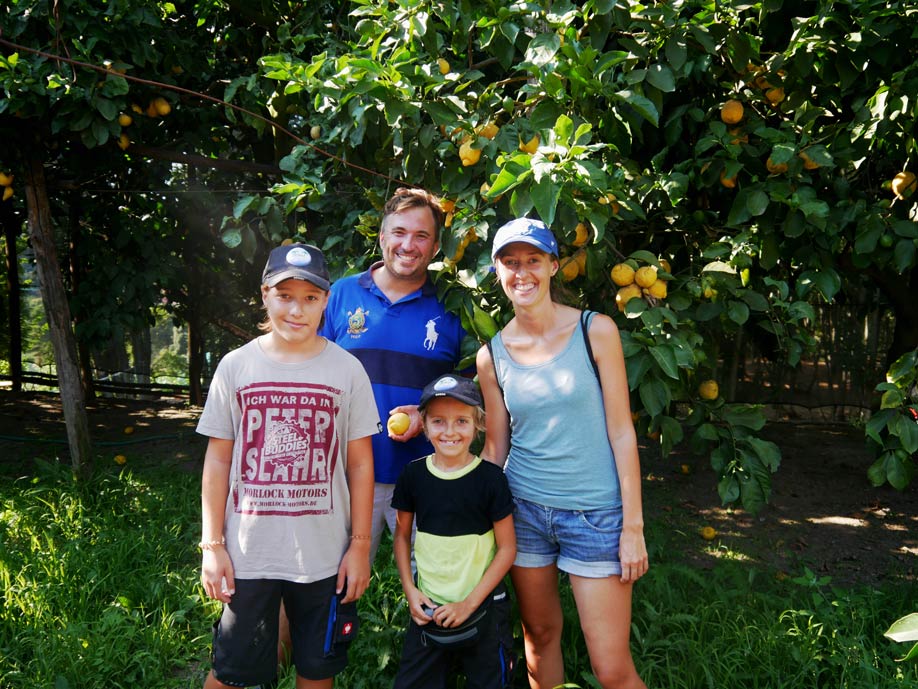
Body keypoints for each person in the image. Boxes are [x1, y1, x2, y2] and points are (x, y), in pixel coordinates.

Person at [476, 218, 649, 689]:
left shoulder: (597, 330)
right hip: (524, 513)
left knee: (611, 670)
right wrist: (472, 515)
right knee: (539, 638)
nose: (522, 272)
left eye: (533, 260)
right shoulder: (491, 355)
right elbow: (496, 445)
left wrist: (632, 527)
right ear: (497, 271)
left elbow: (621, 431)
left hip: (596, 515)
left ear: (554, 266)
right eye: (509, 262)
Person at [196, 243, 378, 689]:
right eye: (285, 295)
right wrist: (212, 545)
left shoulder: (347, 370)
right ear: (264, 295)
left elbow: (359, 465)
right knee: (231, 675)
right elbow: (218, 460)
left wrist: (358, 545)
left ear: (326, 300)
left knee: (316, 673)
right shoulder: (236, 366)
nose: (297, 309)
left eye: (310, 298)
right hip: (249, 554)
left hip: (324, 556)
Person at [320, 187, 467, 561]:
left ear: (435, 247)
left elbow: (470, 387)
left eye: (422, 236)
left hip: (427, 477)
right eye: (399, 232)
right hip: (345, 476)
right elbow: (311, 371)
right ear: (382, 237)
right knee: (332, 588)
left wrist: (430, 412)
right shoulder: (341, 294)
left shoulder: (452, 307)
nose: (408, 245)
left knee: (437, 588)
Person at [391, 373, 516, 689]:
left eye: (461, 421)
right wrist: (410, 590)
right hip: (429, 608)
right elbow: (402, 536)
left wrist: (468, 604)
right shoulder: (413, 475)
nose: (450, 432)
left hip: (484, 607)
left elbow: (507, 549)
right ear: (424, 424)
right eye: (439, 422)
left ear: (478, 424)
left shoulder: (491, 480)